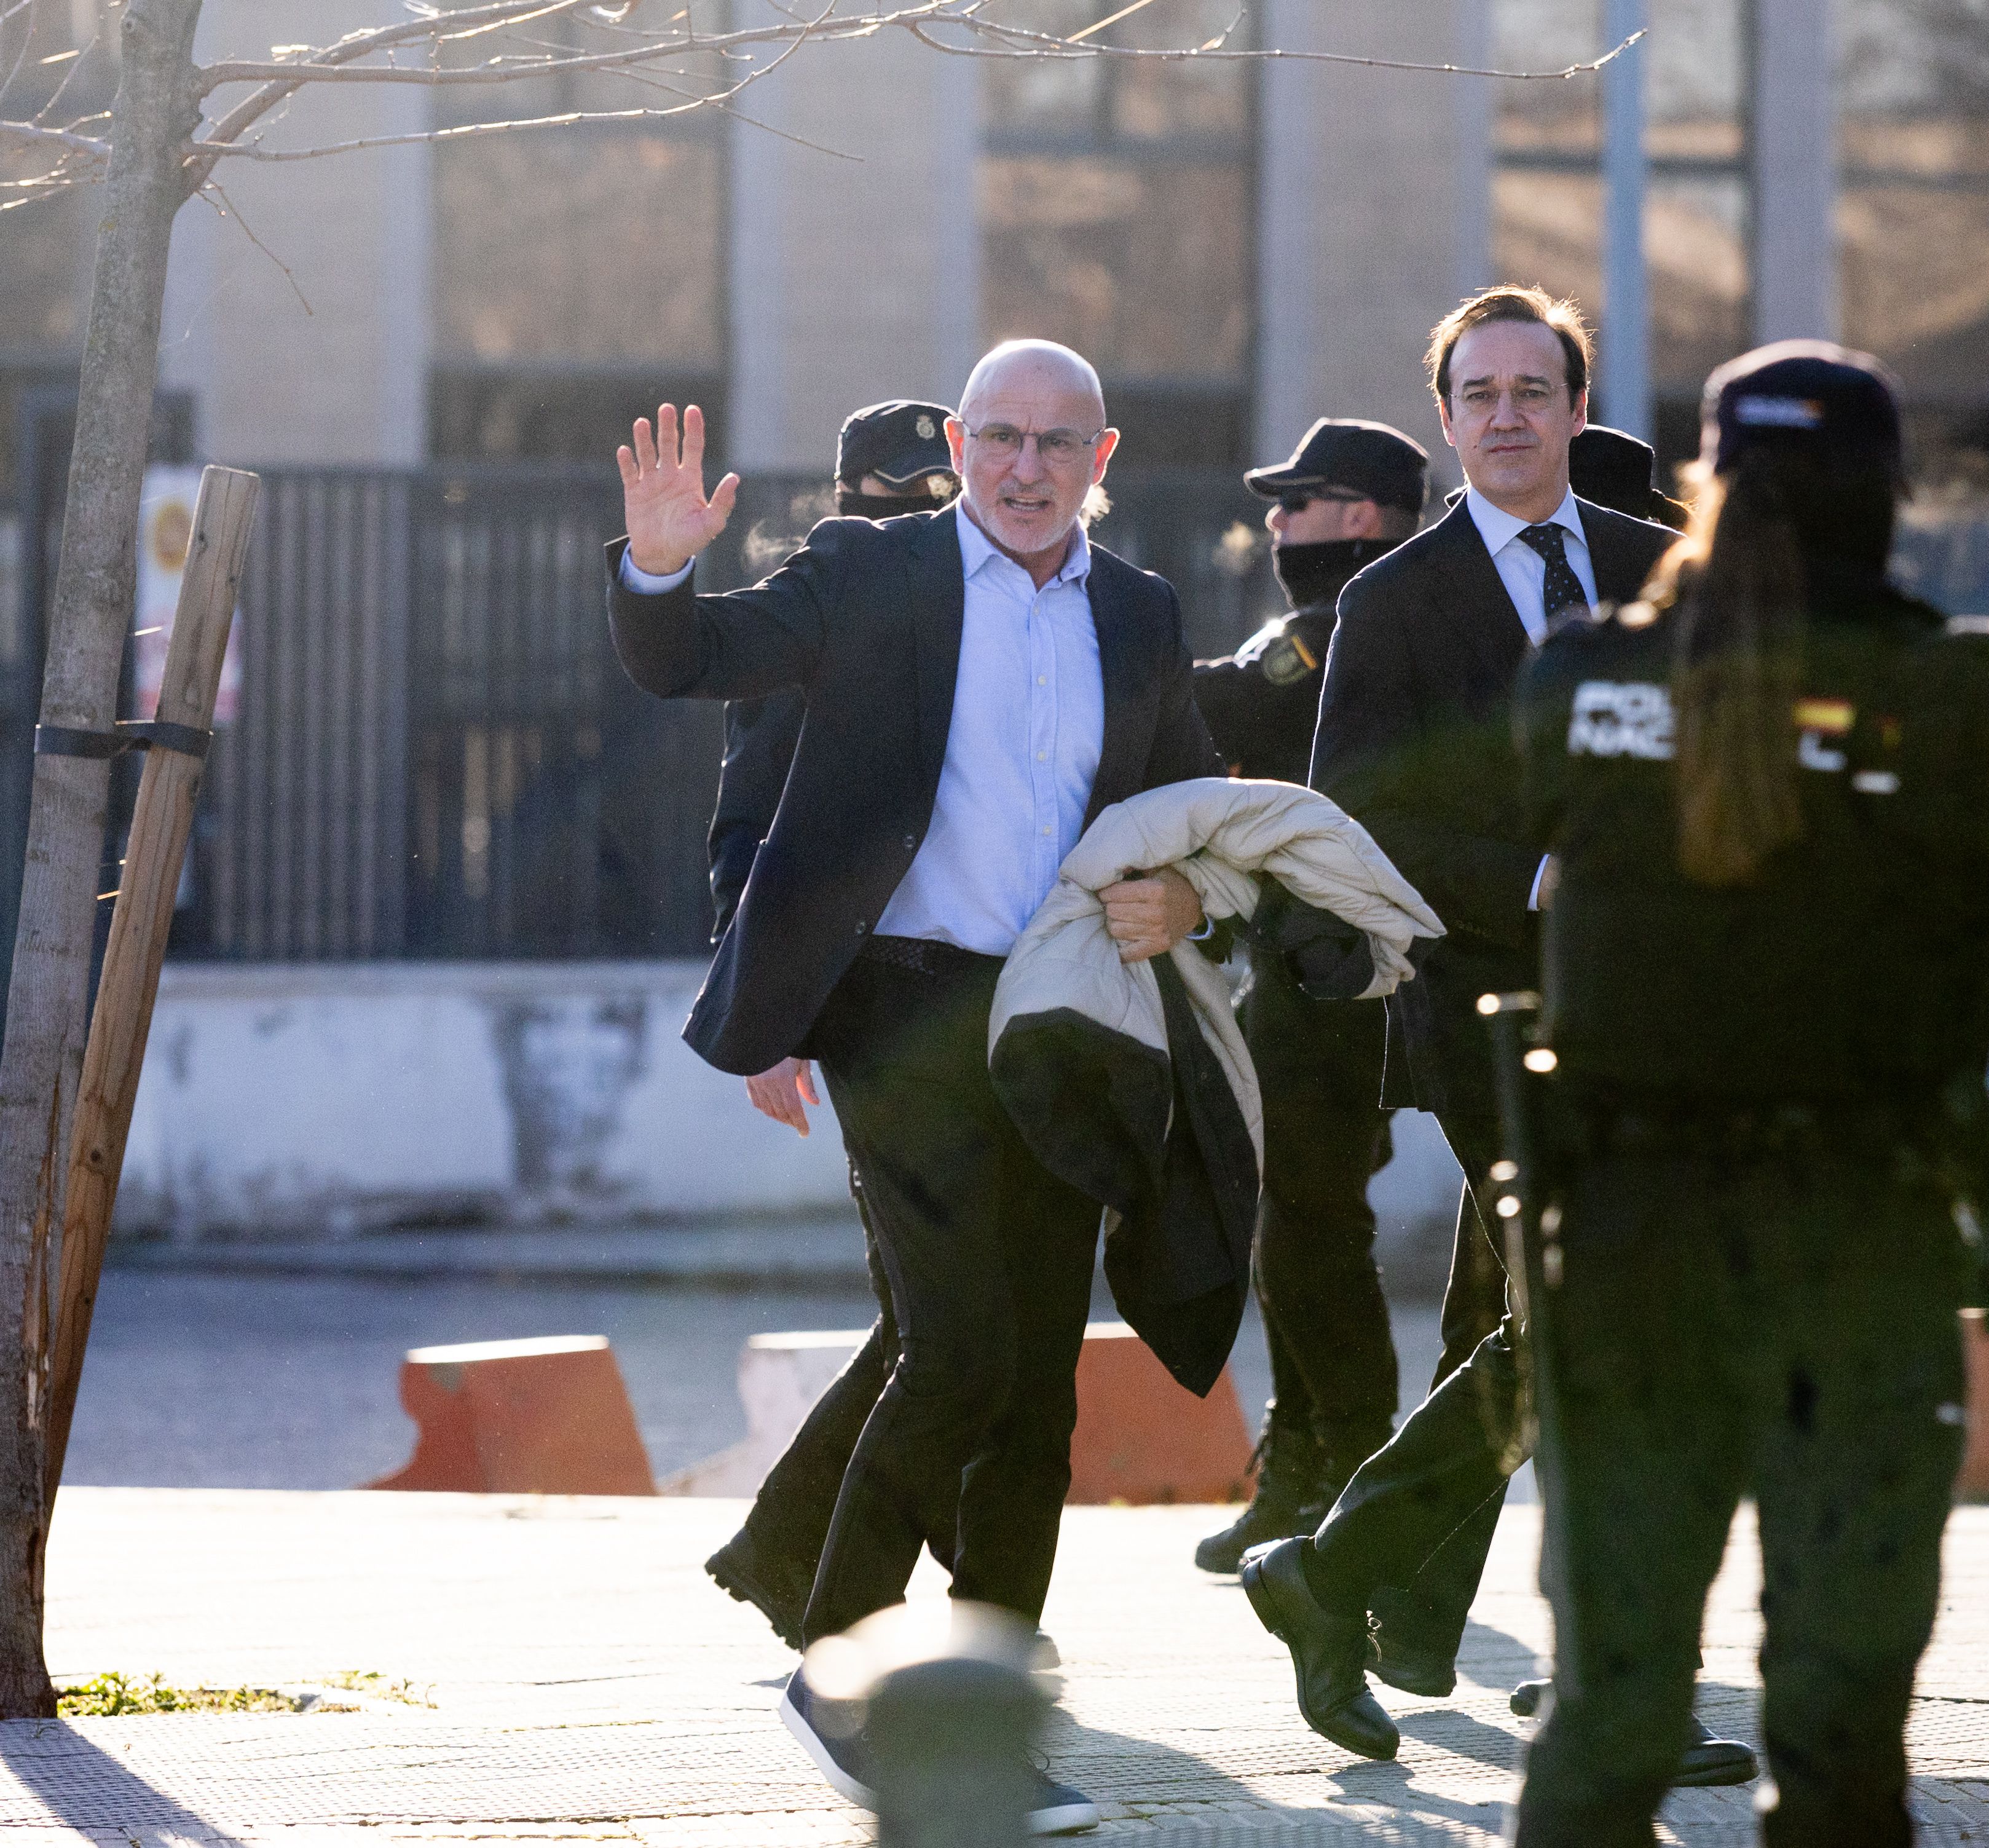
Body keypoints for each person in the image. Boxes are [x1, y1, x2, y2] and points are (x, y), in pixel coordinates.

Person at [607, 340, 1224, 1836]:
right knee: (952, 1348)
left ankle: (985, 1721)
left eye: (1057, 444)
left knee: (1034, 1394)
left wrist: (1188, 904)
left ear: (1103, 454)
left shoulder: (1139, 615)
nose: (1024, 468)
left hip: (1062, 1020)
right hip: (898, 1010)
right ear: (959, 440)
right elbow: (691, 665)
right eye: (1000, 438)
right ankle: (839, 1672)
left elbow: (1192, 807)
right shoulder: (869, 575)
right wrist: (655, 569)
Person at [1508, 342, 1989, 1846]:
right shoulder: (1953, 696)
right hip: (1865, 1247)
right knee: (1839, 1736)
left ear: (1707, 485)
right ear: (1885, 499)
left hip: (1631, 1247)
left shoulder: (1584, 678)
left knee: (1609, 1716)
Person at [1243, 286, 1746, 1783]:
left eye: (1536, 388)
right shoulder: (1392, 602)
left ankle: (1338, 1583)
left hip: (1651, 1016)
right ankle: (1595, 1684)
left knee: (1568, 1329)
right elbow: (1350, 816)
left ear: (1578, 409)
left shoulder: (1670, 576)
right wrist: (1537, 871)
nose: (1510, 413)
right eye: (1480, 393)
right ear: (1448, 418)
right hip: (1480, 1009)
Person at [699, 400, 961, 1648]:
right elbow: (746, 830)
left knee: (952, 1306)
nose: (918, 514)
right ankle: (817, 1556)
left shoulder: (984, 615)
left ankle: (809, 1550)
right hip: (861, 1010)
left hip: (977, 1000)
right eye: (893, 493)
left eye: (935, 490)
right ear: (849, 498)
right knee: (943, 1312)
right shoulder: (814, 618)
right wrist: (771, 1018)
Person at [1186, 418, 1431, 1573]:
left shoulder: (1345, 627)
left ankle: (1346, 1466)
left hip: (1339, 974)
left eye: (1301, 503)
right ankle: (1316, 1457)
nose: (1277, 524)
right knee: (1297, 1220)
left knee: (1308, 1222)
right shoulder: (1354, 617)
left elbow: (1227, 708)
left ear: (1365, 515)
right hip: (1304, 959)